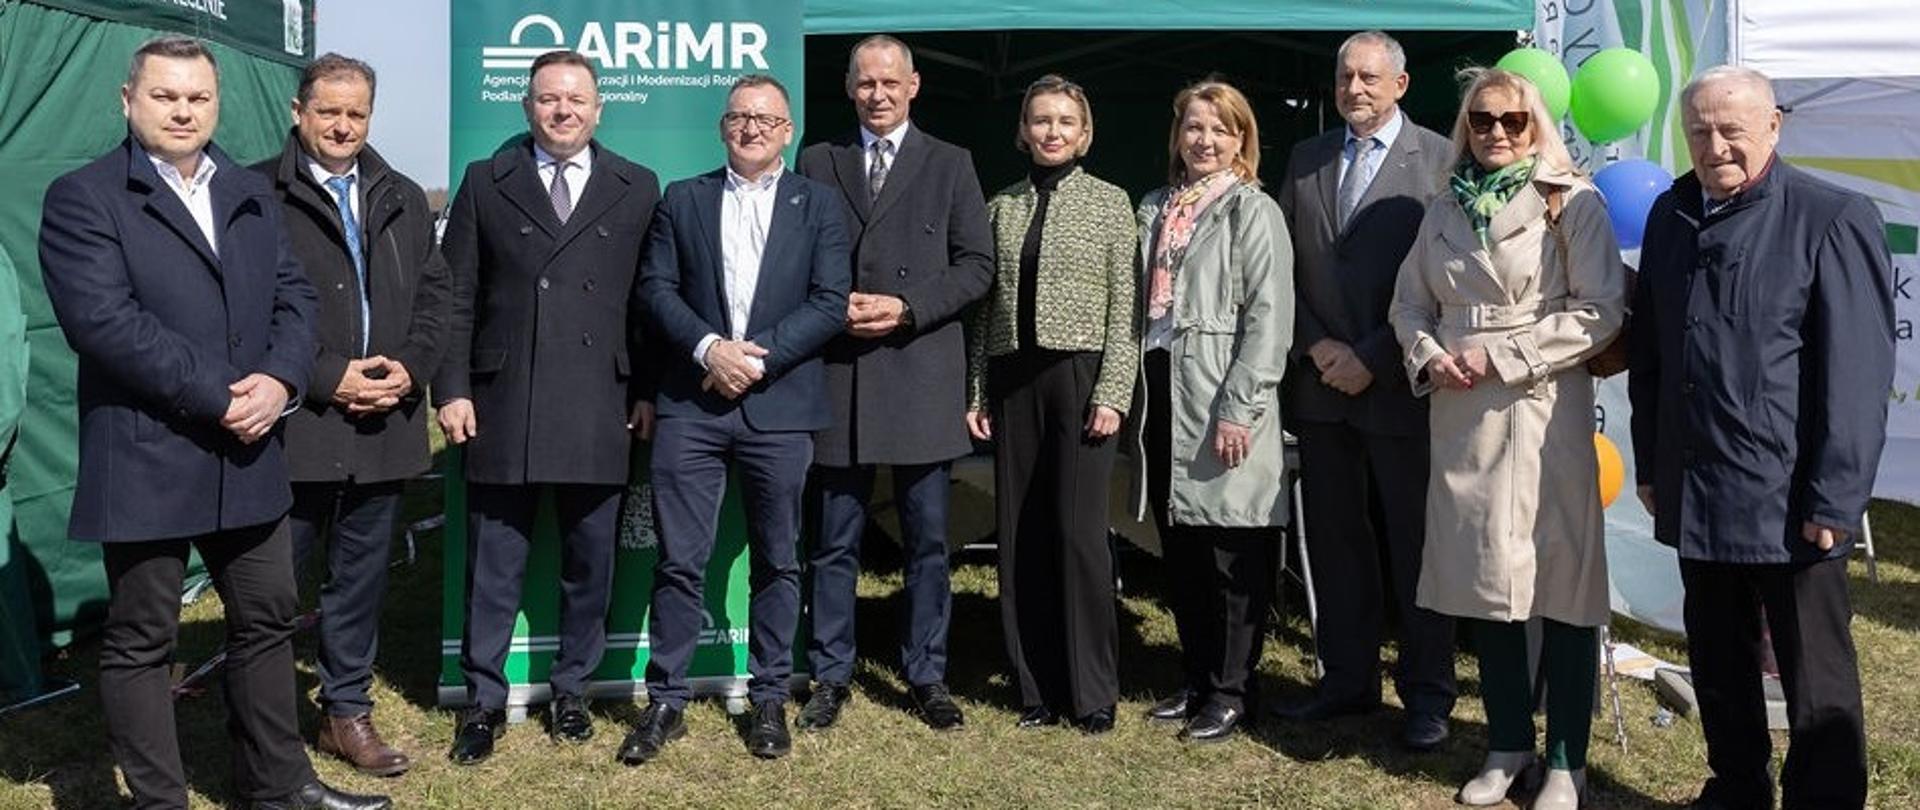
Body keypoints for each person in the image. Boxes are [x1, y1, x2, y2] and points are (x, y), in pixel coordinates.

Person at [37, 35, 388, 810]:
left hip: (249, 451)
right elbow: (105, 323)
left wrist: (282, 379)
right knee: (144, 638)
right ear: (128, 100)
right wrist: (223, 395)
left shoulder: (245, 189)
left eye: (198, 97)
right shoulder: (84, 197)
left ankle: (278, 786)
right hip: (149, 452)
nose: (183, 111)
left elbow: (295, 296)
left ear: (217, 103)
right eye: (165, 96)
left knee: (267, 619)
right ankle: (161, 801)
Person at [1630, 66, 1893, 810]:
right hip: (1697, 484)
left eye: (1732, 130)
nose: (1714, 146)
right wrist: (1652, 465)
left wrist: (1835, 497)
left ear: (1774, 126)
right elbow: (1652, 354)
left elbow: (1856, 373)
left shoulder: (1831, 217)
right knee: (1719, 661)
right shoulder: (1671, 213)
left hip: (1791, 498)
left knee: (1815, 677)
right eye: (1699, 131)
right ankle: (1737, 787)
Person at [1389, 68, 1626, 809]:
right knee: (1482, 580)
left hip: (1544, 409)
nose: (1496, 132)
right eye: (1482, 119)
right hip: (1462, 413)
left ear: (1536, 125)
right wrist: (1429, 355)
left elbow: (1601, 309)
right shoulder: (1442, 208)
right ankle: (1507, 742)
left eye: (1512, 120)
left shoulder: (1571, 201)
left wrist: (1506, 355)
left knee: (1562, 581)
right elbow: (1407, 304)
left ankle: (1567, 759)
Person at [432, 49, 661, 766]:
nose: (563, 110)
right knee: (494, 565)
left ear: (598, 108)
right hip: (504, 400)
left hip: (602, 400)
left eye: (576, 99)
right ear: (527, 106)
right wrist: (452, 387)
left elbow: (649, 301)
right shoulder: (485, 180)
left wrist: (647, 388)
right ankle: (482, 702)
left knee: (591, 563)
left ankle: (572, 693)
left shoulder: (637, 185)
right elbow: (455, 294)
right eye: (549, 98)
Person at [620, 74, 851, 764]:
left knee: (779, 559)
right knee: (679, 560)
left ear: (788, 131)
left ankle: (769, 696)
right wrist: (708, 349)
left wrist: (756, 360)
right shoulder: (682, 198)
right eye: (740, 117)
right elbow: (655, 288)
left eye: (766, 119)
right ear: (723, 127)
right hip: (692, 404)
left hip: (780, 408)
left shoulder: (819, 204)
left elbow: (830, 300)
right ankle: (666, 700)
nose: (751, 128)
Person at [253, 52, 448, 778]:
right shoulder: (254, 193)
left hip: (384, 423)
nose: (343, 126)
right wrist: (326, 376)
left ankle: (345, 713)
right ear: (298, 112)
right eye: (328, 111)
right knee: (271, 586)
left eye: (356, 113)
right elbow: (246, 312)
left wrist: (412, 367)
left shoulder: (401, 194)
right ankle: (263, 722)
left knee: (360, 581)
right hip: (294, 425)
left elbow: (436, 295)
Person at [793, 34, 994, 733]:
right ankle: (830, 674)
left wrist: (908, 307)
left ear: (914, 85)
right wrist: (833, 304)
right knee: (834, 542)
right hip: (839, 375)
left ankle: (927, 674)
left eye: (889, 82)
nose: (877, 95)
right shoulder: (818, 160)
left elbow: (977, 265)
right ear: (850, 89)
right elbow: (794, 255)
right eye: (865, 83)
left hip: (919, 372)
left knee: (928, 543)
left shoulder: (951, 162)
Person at [1272, 30, 1458, 750]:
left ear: (1401, 85)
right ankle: (1347, 681)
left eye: (1370, 77)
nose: (1355, 88)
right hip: (1321, 386)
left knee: (1415, 545)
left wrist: (1374, 357)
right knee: (1335, 542)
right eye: (1346, 76)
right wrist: (1316, 345)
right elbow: (1282, 266)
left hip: (1401, 386)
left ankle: (1427, 695)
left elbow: (1447, 279)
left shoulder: (1440, 159)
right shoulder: (1306, 157)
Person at [967, 75, 1139, 734]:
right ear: (1023, 130)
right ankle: (1034, 688)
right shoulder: (1000, 206)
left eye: (1066, 121)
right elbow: (984, 312)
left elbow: (1127, 309)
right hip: (1013, 376)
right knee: (1021, 532)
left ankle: (1092, 692)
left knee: (1078, 534)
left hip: (1081, 375)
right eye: (1041, 120)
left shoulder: (1110, 203)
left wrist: (1113, 392)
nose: (1053, 131)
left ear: (1085, 133)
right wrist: (977, 390)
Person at [1132, 79, 1293, 744]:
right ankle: (1197, 677)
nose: (1205, 140)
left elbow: (1269, 318)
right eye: (1194, 127)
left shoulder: (1252, 210)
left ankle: (1233, 690)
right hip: (1162, 385)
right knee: (1184, 547)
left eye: (1220, 130)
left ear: (1241, 140)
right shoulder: (1155, 206)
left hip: (1222, 389)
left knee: (1233, 549)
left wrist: (1239, 408)